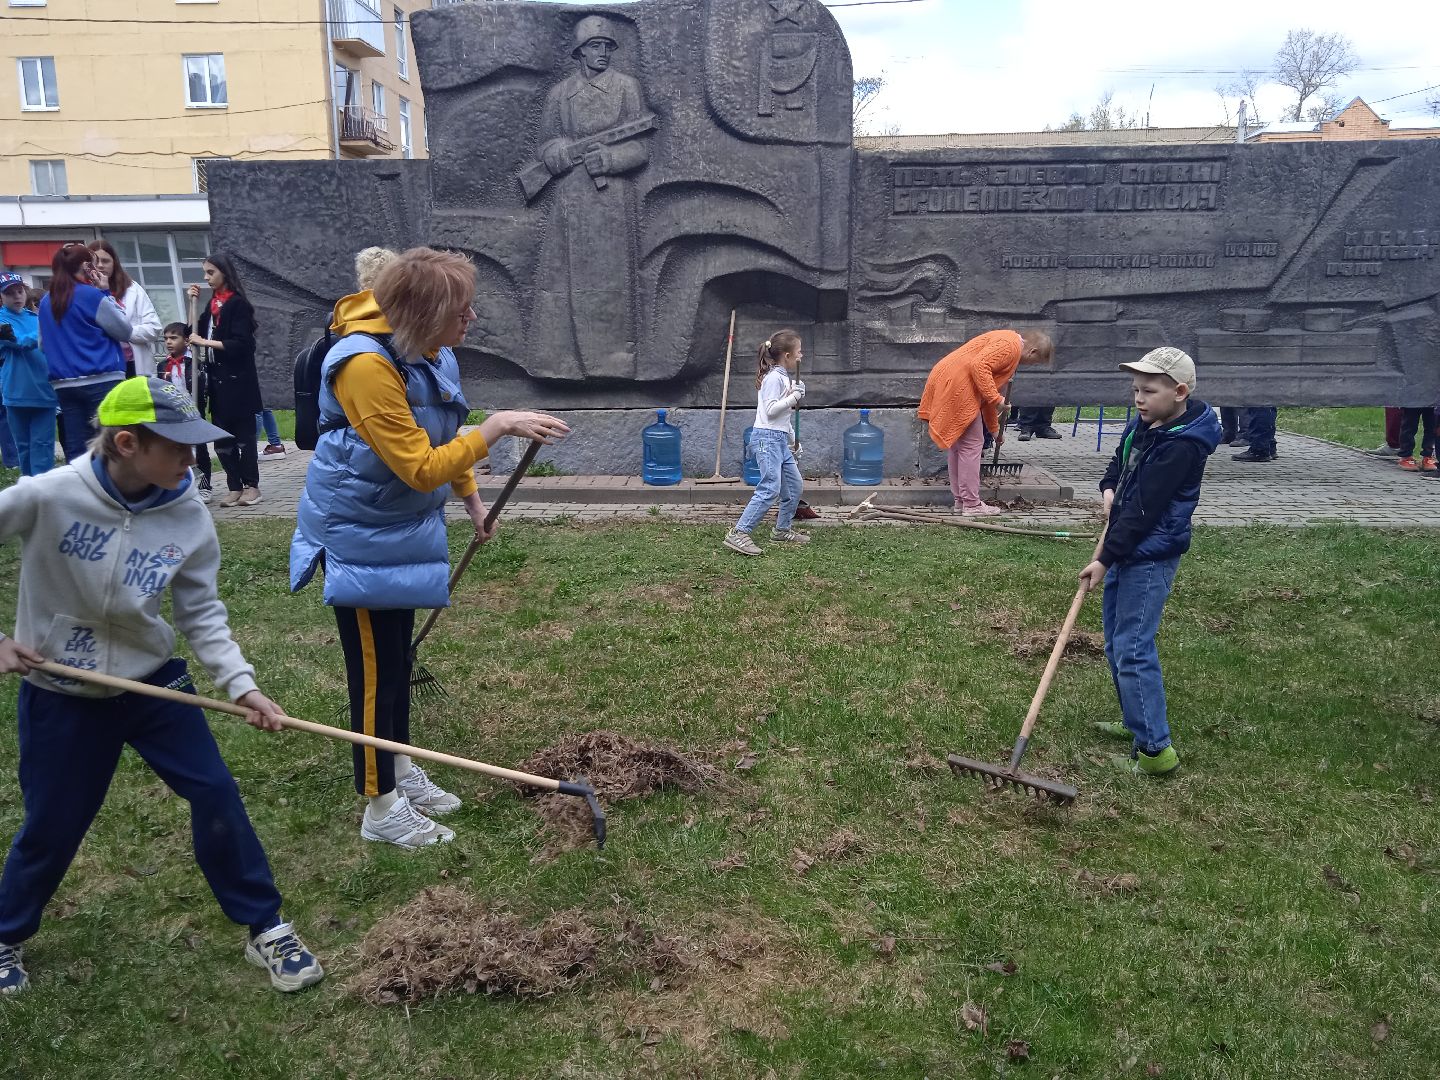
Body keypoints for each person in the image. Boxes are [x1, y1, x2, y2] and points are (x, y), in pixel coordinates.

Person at [0, 376, 324, 996]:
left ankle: (266, 926)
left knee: (216, 793)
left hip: (155, 687)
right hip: (62, 694)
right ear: (127, 444)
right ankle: (6, 932)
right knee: (53, 822)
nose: (189, 460)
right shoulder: (46, 496)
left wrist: (241, 687)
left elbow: (201, 613)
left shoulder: (187, 511)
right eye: (177, 448)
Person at [290, 247, 569, 849]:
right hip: (359, 529)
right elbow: (419, 466)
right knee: (372, 670)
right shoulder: (362, 366)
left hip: (399, 526)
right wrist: (494, 429)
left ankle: (399, 763)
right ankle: (380, 805)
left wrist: (471, 501)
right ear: (421, 314)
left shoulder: (429, 352)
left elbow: (441, 426)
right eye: (460, 313)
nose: (470, 322)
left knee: (398, 660)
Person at [1079, 347, 1221, 778]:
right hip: (1128, 544)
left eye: (1149, 390)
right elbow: (1119, 465)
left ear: (1178, 392)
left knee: (1134, 646)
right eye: (1135, 389)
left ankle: (1156, 751)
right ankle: (1134, 721)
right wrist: (1108, 488)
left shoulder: (1181, 446)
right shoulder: (1148, 423)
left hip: (1149, 553)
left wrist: (1104, 558)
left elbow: (1143, 509)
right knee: (1115, 640)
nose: (1138, 398)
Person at [527, 14, 653, 380]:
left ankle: (613, 364)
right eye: (596, 46)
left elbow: (642, 147)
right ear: (580, 51)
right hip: (570, 198)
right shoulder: (560, 94)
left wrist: (612, 159)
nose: (603, 53)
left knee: (611, 282)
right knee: (562, 283)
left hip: (611, 199)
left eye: (608, 46)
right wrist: (556, 150)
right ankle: (559, 367)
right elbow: (545, 145)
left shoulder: (627, 87)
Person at [918, 329, 1052, 516]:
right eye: (1034, 363)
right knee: (972, 445)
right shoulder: (1010, 347)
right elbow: (979, 366)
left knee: (960, 446)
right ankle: (972, 505)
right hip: (958, 385)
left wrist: (995, 430)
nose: (1030, 365)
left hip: (951, 379)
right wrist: (997, 399)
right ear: (1033, 351)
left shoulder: (1006, 341)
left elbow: (984, 394)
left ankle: (961, 501)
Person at [39, 243, 130, 462]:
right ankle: (111, 492)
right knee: (110, 445)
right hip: (101, 378)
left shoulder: (45, 301)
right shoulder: (91, 295)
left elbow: (42, 343)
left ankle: (82, 492)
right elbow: (124, 331)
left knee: (78, 451)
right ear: (85, 266)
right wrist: (106, 292)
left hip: (64, 384)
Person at [723, 331, 809, 556]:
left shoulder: (784, 379)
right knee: (770, 487)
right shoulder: (772, 378)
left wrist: (793, 440)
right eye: (799, 352)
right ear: (788, 355)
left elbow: (784, 417)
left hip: (779, 440)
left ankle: (782, 530)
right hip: (766, 439)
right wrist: (793, 398)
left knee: (794, 486)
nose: (802, 355)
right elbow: (770, 411)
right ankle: (739, 533)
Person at [188, 254, 263, 507]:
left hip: (238, 383)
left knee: (244, 438)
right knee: (222, 440)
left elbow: (242, 344)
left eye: (211, 273)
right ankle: (234, 485)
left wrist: (205, 342)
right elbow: (193, 334)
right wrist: (193, 303)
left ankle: (251, 485)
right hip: (217, 383)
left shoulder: (237, 304)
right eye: (205, 273)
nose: (207, 278)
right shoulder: (212, 305)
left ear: (224, 273)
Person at [0, 273, 58, 476]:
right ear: (2, 297)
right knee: (23, 447)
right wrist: (45, 332)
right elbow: (17, 343)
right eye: (10, 293)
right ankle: (29, 490)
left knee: (42, 446)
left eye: (19, 291)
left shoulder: (36, 318)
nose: (17, 296)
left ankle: (42, 491)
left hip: (43, 391)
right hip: (16, 392)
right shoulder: (1, 320)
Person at [88, 239, 163, 378]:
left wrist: (125, 332)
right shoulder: (83, 292)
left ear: (114, 263)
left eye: (105, 261)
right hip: (100, 369)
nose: (100, 266)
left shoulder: (132, 289)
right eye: (95, 261)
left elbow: (154, 328)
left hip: (133, 366)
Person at [159, 321, 213, 502]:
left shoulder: (195, 363)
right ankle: (180, 485)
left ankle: (205, 485)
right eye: (166, 338)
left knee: (199, 449)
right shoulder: (162, 367)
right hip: (172, 415)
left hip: (193, 412)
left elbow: (203, 387)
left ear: (186, 341)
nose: (168, 342)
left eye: (174, 338)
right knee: (176, 450)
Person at [1395, 406, 1437, 472]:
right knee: (1409, 425)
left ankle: (1428, 456)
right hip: (1412, 399)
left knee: (1432, 426)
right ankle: (1406, 456)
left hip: (1432, 398)